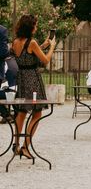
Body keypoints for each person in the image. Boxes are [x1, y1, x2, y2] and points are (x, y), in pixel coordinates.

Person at [10, 15, 57, 159]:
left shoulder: (15, 42)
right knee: (37, 113)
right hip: (33, 80)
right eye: (35, 26)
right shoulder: (32, 42)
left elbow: (26, 54)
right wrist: (52, 47)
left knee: (22, 112)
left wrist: (43, 45)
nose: (36, 28)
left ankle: (16, 144)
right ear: (30, 27)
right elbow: (45, 60)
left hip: (22, 79)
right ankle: (26, 146)